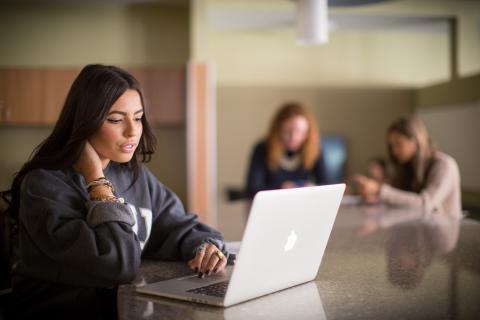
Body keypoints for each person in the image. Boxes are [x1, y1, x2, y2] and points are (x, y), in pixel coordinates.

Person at [4, 64, 230, 319]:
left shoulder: (133, 174)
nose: (132, 131)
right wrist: (97, 182)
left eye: (137, 117)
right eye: (115, 119)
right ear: (85, 122)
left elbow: (180, 226)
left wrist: (206, 245)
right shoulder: (44, 186)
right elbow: (116, 265)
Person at [354, 116, 461, 217]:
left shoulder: (444, 165)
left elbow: (425, 204)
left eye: (398, 144)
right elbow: (402, 199)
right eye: (391, 145)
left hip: (443, 233)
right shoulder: (406, 167)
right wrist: (373, 196)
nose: (394, 151)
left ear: (415, 140)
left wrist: (379, 190)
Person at [245, 102, 327, 198]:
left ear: (307, 132)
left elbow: (326, 184)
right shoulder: (262, 149)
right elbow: (252, 189)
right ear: (278, 130)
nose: (293, 137)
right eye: (287, 131)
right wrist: (282, 188)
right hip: (271, 207)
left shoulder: (315, 150)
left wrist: (312, 188)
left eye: (299, 131)